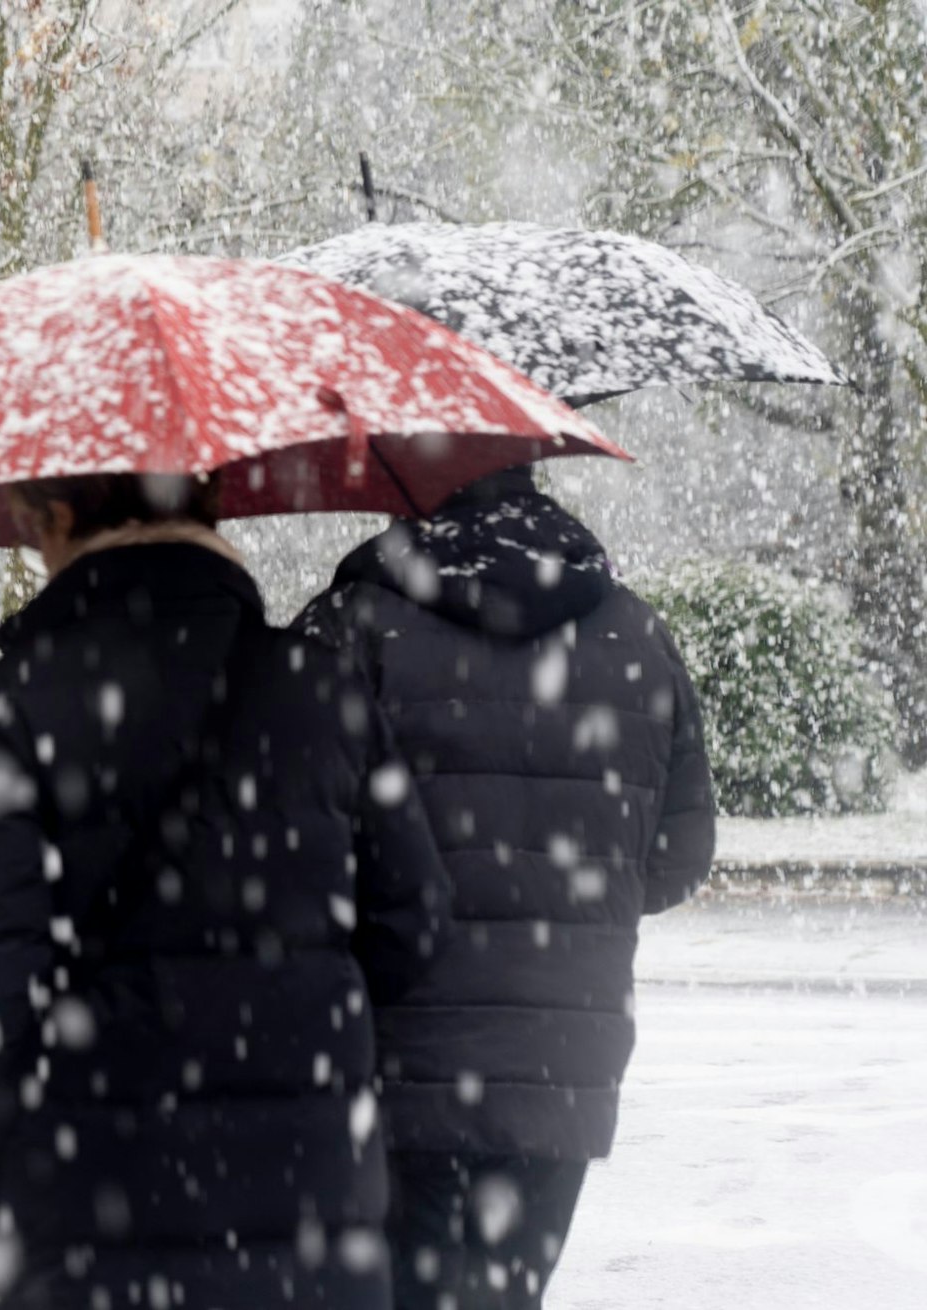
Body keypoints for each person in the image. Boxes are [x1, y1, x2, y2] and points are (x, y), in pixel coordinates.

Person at [0, 473, 451, 1310]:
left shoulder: (23, 701)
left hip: (90, 1212)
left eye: (31, 522)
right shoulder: (323, 689)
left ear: (62, 517)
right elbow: (413, 920)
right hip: (308, 1209)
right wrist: (297, 1016)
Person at [299, 465, 716, 1309]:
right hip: (563, 1064)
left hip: (392, 1061)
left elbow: (297, 842)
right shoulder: (634, 634)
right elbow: (679, 856)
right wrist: (569, 903)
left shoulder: (355, 625)